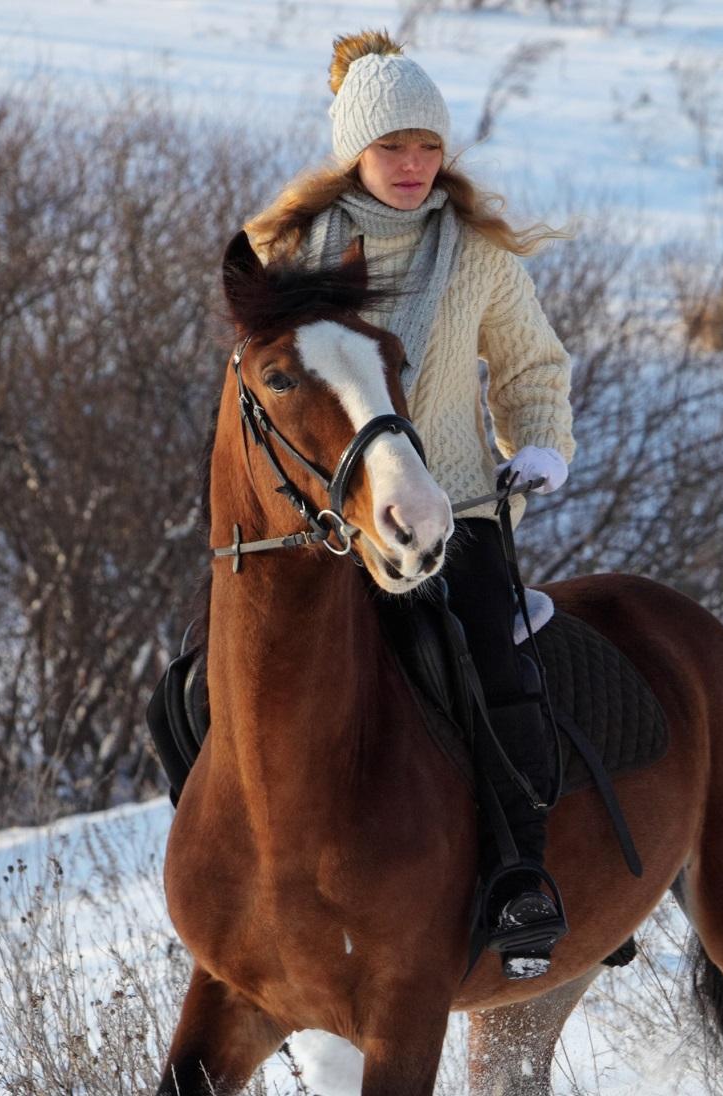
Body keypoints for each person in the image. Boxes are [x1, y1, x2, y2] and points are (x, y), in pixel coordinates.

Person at [245, 30, 577, 980]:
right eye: (392, 147)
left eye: (428, 146)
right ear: (354, 150)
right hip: (321, 522)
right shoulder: (294, 252)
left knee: (489, 661)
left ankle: (521, 876)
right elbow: (263, 384)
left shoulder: (474, 253)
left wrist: (538, 443)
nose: (413, 165)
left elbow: (530, 364)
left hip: (456, 508)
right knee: (207, 674)